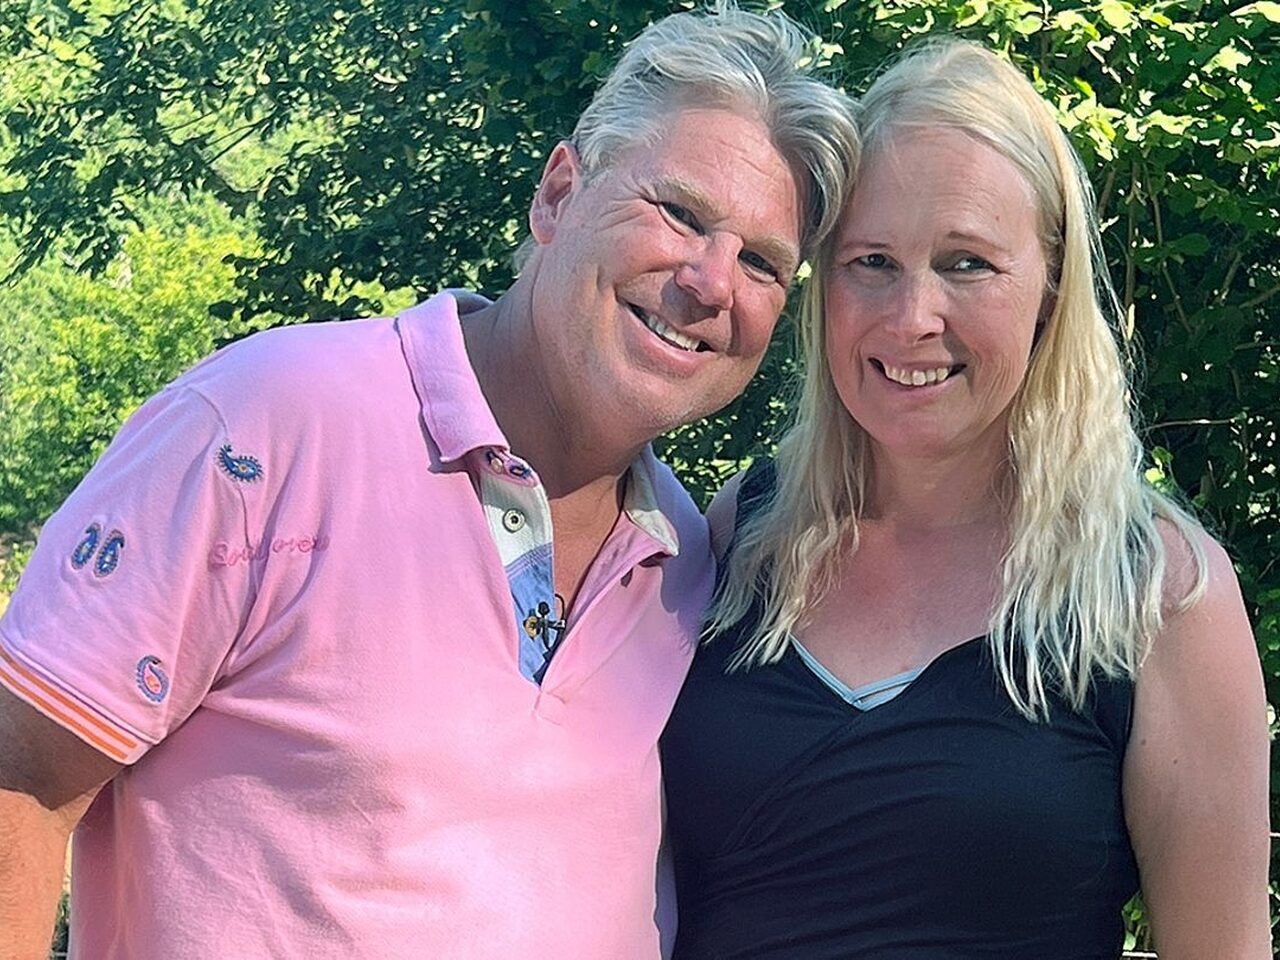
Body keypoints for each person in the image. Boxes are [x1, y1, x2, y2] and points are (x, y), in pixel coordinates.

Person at [0, 4, 859, 957]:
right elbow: (19, 778)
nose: (711, 282)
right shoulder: (265, 428)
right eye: (681, 214)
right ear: (558, 195)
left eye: (762, 263)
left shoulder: (684, 560)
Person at [661, 38, 1271, 960]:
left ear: (1050, 289)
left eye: (968, 263)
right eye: (872, 260)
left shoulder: (1161, 596)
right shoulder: (743, 533)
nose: (912, 317)